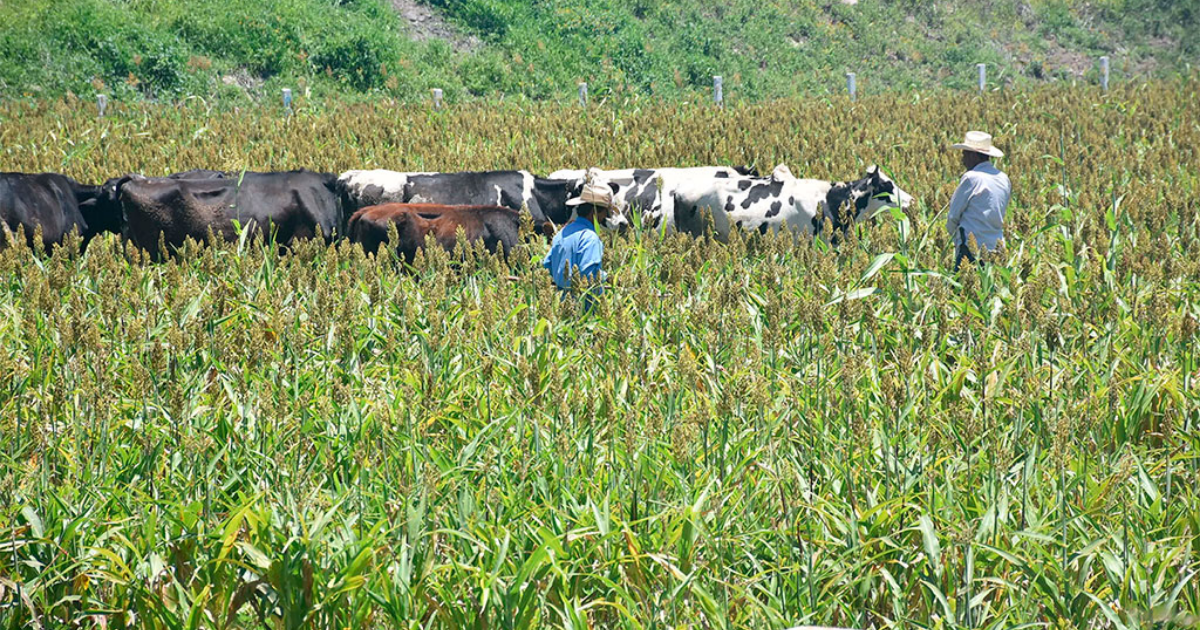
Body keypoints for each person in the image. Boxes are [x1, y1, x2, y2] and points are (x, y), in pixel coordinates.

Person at [543, 176, 613, 308]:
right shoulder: (590, 238)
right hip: (584, 309)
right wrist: (609, 278)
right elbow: (590, 274)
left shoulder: (561, 233)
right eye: (605, 212)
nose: (605, 217)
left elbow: (547, 265)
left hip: (561, 307)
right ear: (594, 212)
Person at [947, 131, 1011, 270]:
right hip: (996, 247)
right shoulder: (1003, 178)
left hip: (971, 250)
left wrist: (956, 240)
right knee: (991, 290)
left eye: (964, 154)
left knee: (964, 290)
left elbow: (953, 216)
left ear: (973, 155)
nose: (963, 160)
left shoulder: (972, 178)